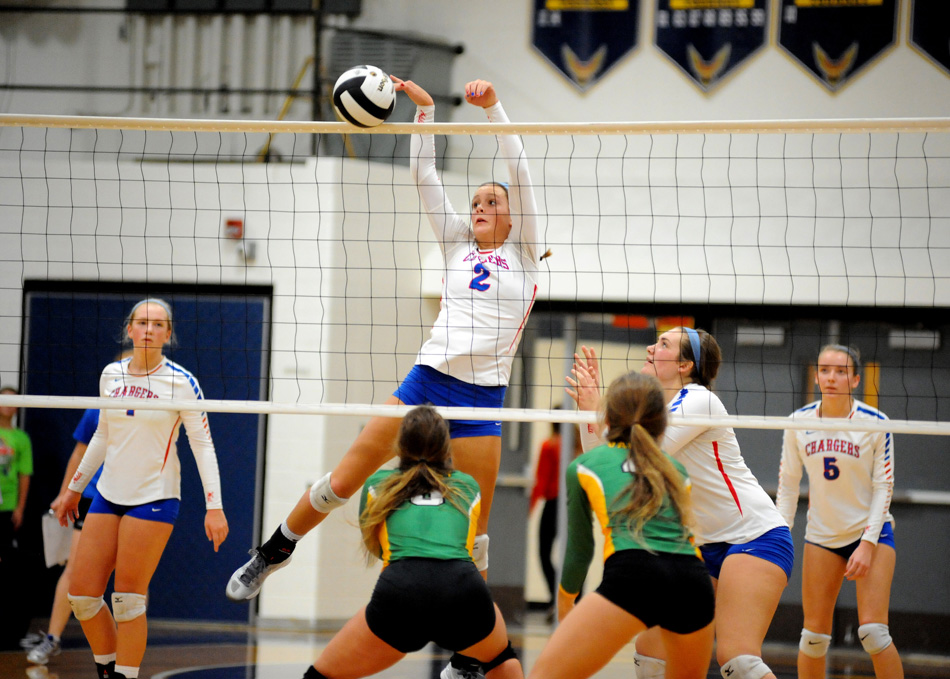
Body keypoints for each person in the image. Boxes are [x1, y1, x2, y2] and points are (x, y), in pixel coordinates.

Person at [226, 76, 539, 679]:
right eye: (474, 203)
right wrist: (423, 114)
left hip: (481, 401)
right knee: (344, 477)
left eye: (490, 203)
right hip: (424, 385)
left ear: (511, 216)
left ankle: (468, 656)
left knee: (471, 527)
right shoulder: (454, 246)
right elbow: (425, 180)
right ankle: (273, 551)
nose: (479, 209)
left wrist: (494, 106)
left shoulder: (525, 252)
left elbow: (517, 163)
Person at [568, 328, 793, 679]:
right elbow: (607, 463)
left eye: (663, 344)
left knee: (736, 657)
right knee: (651, 652)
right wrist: (588, 411)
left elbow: (645, 456)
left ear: (685, 364)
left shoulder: (699, 399)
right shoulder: (652, 409)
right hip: (701, 546)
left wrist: (602, 412)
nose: (650, 347)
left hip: (755, 536)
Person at [54, 298, 229, 679]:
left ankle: (125, 675)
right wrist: (73, 488)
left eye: (158, 324)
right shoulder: (110, 375)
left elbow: (203, 445)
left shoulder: (182, 383)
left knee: (128, 600)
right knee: (82, 596)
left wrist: (214, 506)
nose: (149, 330)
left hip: (154, 497)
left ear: (168, 334)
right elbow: (102, 435)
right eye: (142, 323)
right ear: (129, 329)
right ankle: (107, 667)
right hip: (108, 494)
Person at [296, 405, 523, 679]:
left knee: (321, 675)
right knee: (502, 662)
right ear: (446, 448)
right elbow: (467, 542)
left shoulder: (377, 484)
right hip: (462, 589)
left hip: (402, 589)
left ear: (400, 446)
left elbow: (375, 546)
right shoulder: (467, 486)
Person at [528, 372, 714, 679]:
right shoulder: (676, 470)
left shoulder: (584, 465)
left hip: (634, 573)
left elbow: (579, 550)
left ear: (608, 416)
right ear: (662, 422)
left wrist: (565, 602)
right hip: (693, 582)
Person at [775, 344, 903, 679]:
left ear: (856, 379)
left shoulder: (875, 423)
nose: (832, 378)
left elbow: (884, 486)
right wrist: (778, 535)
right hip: (821, 536)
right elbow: (788, 485)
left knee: (874, 634)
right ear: (816, 376)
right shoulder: (797, 422)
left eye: (841, 371)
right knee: (813, 638)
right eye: (825, 370)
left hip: (870, 533)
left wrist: (867, 542)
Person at [26, 408, 103, 665]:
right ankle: (52, 638)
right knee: (74, 569)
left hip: (133, 498)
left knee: (132, 574)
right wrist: (64, 493)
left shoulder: (154, 404)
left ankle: (131, 642)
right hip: (93, 497)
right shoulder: (97, 409)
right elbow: (79, 452)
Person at [0, 385, 33, 649]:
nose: (8, 404)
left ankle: (11, 632)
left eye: (14, 400)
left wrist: (20, 508)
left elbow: (25, 475)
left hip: (7, 510)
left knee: (10, 571)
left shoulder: (21, 439)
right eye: (4, 400)